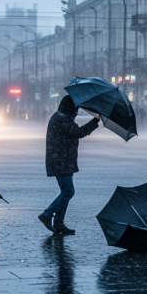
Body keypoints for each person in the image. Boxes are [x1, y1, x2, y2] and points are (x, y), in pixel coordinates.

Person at [38, 95, 99, 235]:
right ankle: (47, 214)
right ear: (69, 107)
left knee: (66, 191)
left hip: (61, 160)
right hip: (61, 160)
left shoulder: (62, 117)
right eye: (75, 108)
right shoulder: (62, 119)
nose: (77, 111)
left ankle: (59, 223)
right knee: (68, 191)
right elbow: (78, 132)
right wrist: (94, 122)